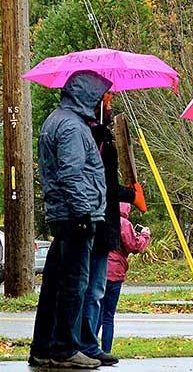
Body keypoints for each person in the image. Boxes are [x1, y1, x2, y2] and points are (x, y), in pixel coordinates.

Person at [31, 71, 112, 370]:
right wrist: (82, 213)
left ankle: (43, 346)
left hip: (62, 215)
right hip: (74, 216)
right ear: (88, 96)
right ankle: (64, 348)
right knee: (74, 284)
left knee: (55, 283)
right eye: (103, 96)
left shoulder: (61, 121)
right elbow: (72, 173)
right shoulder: (71, 127)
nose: (105, 102)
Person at [78, 97, 135, 367]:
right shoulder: (92, 137)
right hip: (96, 222)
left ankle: (88, 343)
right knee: (90, 289)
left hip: (102, 222)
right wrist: (131, 194)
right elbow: (106, 185)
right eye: (107, 98)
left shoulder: (103, 136)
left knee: (94, 290)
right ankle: (85, 343)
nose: (111, 103)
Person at [100, 202, 150, 355]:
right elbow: (134, 246)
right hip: (115, 273)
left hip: (99, 271)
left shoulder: (102, 219)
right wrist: (145, 235)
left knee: (95, 312)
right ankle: (106, 351)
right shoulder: (124, 224)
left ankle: (89, 348)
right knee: (108, 316)